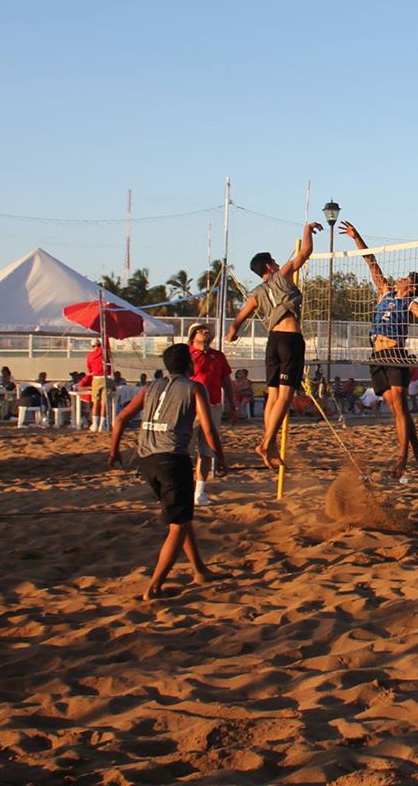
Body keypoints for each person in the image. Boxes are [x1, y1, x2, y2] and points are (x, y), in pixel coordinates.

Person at [340, 220, 418, 483]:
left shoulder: (410, 303)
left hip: (396, 355)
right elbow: (370, 262)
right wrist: (356, 236)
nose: (401, 278)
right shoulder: (384, 292)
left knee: (400, 408)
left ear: (411, 287)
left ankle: (402, 459)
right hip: (377, 356)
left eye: (406, 278)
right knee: (397, 411)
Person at [107, 342, 226, 602]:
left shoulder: (150, 386)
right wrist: (222, 458)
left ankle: (199, 570)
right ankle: (154, 587)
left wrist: (114, 451)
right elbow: (208, 430)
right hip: (172, 460)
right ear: (189, 365)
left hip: (146, 460)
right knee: (178, 524)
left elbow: (120, 419)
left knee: (181, 518)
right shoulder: (195, 387)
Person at [227, 221, 322, 469]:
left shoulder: (257, 292)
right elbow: (305, 253)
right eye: (275, 261)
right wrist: (307, 230)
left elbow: (239, 319)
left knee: (273, 397)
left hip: (272, 343)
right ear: (270, 265)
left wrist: (231, 334)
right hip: (290, 340)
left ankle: (269, 444)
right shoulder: (283, 276)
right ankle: (267, 442)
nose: (280, 263)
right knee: (286, 396)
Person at [185, 323, 234, 505]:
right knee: (185, 451)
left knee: (207, 451)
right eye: (200, 330)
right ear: (192, 335)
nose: (205, 332)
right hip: (190, 407)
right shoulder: (187, 354)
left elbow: (226, 381)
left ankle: (200, 491)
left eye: (207, 330)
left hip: (213, 406)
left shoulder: (218, 356)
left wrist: (232, 405)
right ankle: (185, 489)